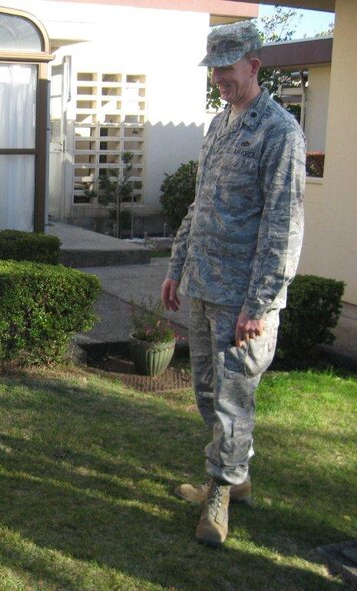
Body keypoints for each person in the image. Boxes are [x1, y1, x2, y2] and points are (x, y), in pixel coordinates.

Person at [161, 20, 305, 547]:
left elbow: (283, 225)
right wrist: (176, 267)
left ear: (254, 65)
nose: (219, 78)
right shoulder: (219, 125)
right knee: (206, 393)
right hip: (204, 287)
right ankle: (234, 475)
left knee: (232, 400)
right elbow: (200, 205)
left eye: (227, 68)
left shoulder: (280, 132)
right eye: (214, 69)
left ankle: (220, 493)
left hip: (243, 301)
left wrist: (259, 304)